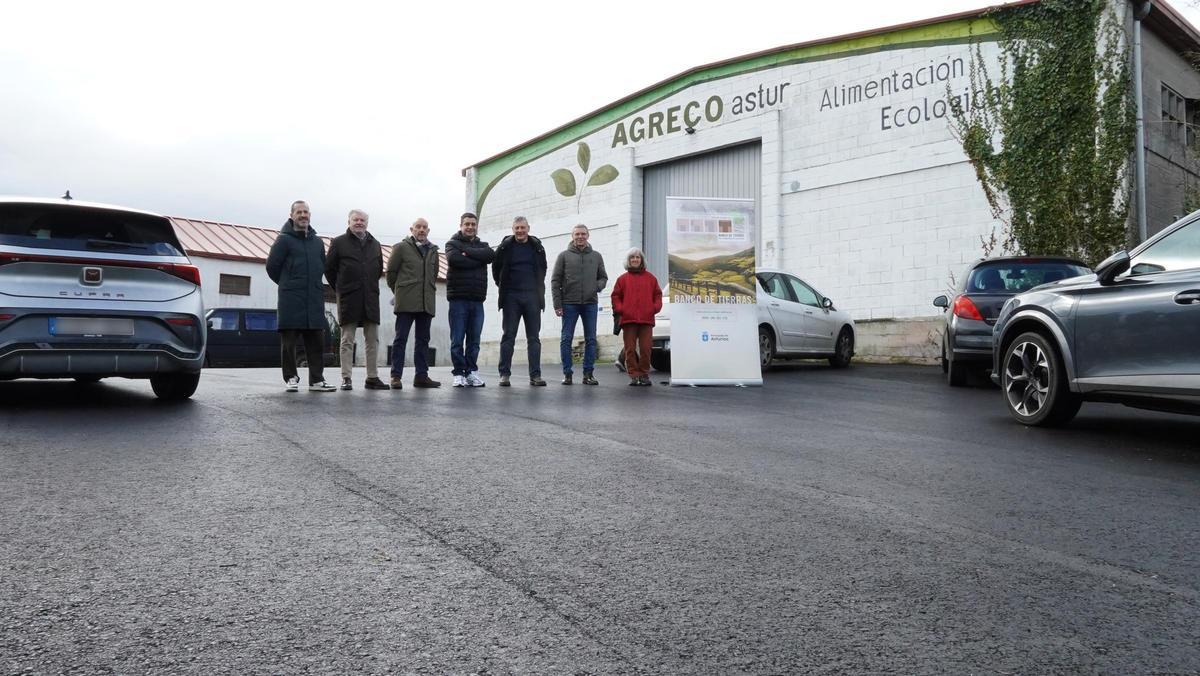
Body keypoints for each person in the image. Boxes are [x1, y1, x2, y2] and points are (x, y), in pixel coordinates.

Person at [265, 200, 336, 392]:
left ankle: (317, 381)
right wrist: (288, 284)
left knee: (316, 342)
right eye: (299, 212)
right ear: (292, 216)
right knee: (289, 343)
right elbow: (272, 267)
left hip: (313, 299)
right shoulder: (283, 240)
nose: (303, 215)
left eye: (306, 212)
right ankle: (291, 378)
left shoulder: (317, 242)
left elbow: (322, 265)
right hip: (291, 300)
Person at [324, 209, 389, 391]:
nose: (359, 223)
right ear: (349, 222)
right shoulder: (338, 243)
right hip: (348, 297)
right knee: (347, 339)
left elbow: (378, 270)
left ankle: (372, 377)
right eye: (356, 220)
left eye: (362, 220)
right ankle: (346, 378)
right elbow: (329, 269)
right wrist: (341, 287)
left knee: (372, 339)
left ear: (367, 223)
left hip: (370, 297)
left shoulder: (375, 244)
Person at [385, 218, 442, 389]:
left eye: (425, 227)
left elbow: (434, 273)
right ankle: (396, 376)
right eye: (418, 227)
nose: (421, 230)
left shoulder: (433, 250)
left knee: (423, 340)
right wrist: (400, 292)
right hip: (406, 302)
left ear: (428, 231)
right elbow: (391, 274)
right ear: (412, 229)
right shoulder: (401, 248)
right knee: (400, 339)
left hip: (426, 302)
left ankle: (421, 376)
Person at [492, 216, 548, 387]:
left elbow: (543, 268)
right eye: (517, 228)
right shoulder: (505, 247)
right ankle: (504, 374)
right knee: (508, 336)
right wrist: (503, 286)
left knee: (534, 338)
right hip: (511, 298)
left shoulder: (537, 246)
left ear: (528, 228)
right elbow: (496, 268)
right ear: (513, 229)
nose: (520, 231)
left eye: (523, 227)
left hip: (532, 297)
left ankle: (535, 376)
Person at [551, 224, 608, 385]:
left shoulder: (596, 256)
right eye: (577, 234)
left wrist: (596, 287)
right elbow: (555, 281)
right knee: (566, 338)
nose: (580, 237)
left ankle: (588, 374)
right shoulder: (564, 256)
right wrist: (557, 304)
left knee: (591, 339)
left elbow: (603, 277)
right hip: (569, 303)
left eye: (583, 234)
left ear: (588, 236)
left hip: (590, 303)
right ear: (572, 236)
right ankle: (567, 373)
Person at [445, 212, 495, 387]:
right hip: (458, 299)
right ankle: (458, 373)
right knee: (457, 339)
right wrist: (477, 258)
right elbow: (455, 259)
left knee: (474, 340)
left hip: (477, 299)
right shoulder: (452, 244)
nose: (470, 227)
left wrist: (467, 252)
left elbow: (490, 256)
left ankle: (471, 372)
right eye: (467, 224)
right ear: (461, 225)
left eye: (473, 224)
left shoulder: (484, 245)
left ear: (476, 226)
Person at [610, 248, 662, 386]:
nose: (635, 259)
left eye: (637, 257)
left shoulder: (651, 278)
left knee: (646, 349)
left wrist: (654, 308)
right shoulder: (622, 279)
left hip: (646, 320)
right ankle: (634, 375)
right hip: (628, 320)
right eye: (632, 257)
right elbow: (615, 296)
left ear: (641, 260)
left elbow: (658, 295)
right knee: (630, 349)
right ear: (628, 260)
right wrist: (622, 309)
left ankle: (644, 375)